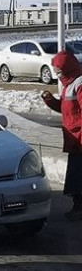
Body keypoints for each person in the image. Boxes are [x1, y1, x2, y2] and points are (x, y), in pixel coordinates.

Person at [41, 49, 82, 220]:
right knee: (76, 176)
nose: (57, 75)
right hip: (74, 140)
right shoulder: (68, 86)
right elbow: (66, 111)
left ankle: (79, 208)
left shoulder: (79, 84)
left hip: (80, 139)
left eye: (58, 72)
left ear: (67, 69)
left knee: (78, 176)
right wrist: (50, 101)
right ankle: (78, 206)